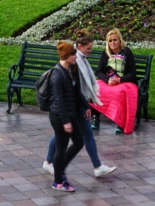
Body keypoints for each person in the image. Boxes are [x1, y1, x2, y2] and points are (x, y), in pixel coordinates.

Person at [43, 29, 116, 180]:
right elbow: (66, 93)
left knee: (69, 137)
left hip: (75, 105)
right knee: (79, 137)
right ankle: (61, 169)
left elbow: (75, 89)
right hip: (71, 107)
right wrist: (70, 116)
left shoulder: (78, 61)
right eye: (88, 48)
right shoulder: (71, 65)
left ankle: (51, 162)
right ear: (79, 46)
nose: (90, 51)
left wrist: (86, 105)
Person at [43, 41, 86, 193]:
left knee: (79, 142)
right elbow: (59, 100)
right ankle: (58, 181)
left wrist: (86, 106)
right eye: (73, 54)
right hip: (60, 116)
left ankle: (60, 170)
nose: (76, 56)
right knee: (61, 148)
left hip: (70, 113)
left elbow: (75, 92)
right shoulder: (57, 75)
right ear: (66, 56)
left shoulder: (68, 70)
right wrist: (66, 121)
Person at [93, 29, 138, 134]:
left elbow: (132, 73)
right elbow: (99, 72)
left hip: (124, 81)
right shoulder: (105, 53)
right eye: (110, 41)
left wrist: (120, 79)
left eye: (115, 40)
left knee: (121, 92)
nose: (112, 43)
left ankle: (120, 122)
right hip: (109, 81)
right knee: (95, 86)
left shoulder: (127, 52)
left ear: (120, 41)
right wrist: (107, 79)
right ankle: (95, 118)